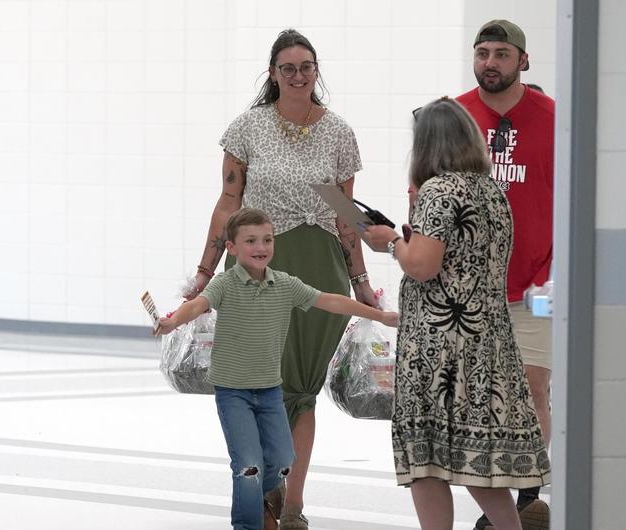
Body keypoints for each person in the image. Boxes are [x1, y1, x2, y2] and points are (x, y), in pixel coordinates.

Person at [192, 28, 376, 530]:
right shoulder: (247, 128)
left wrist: (360, 282)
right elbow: (229, 203)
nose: (298, 75)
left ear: (317, 72)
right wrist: (205, 272)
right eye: (287, 67)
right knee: (256, 384)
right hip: (255, 270)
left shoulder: (338, 132)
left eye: (306, 67)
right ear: (273, 74)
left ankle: (291, 505)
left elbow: (345, 214)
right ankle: (267, 495)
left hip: (319, 266)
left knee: (301, 390)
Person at [365, 97, 551, 530]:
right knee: (475, 459)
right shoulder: (492, 192)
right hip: (484, 339)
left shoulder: (439, 190)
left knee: (427, 457)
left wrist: (390, 240)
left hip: (437, 345)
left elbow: (423, 266)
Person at [158, 208, 398, 530]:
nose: (261, 247)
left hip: (270, 391)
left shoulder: (283, 284)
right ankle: (248, 523)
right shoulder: (226, 284)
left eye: (267, 240)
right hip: (235, 392)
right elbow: (198, 304)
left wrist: (379, 316)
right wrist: (173, 321)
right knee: (248, 465)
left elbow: (330, 301)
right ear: (231, 247)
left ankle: (267, 495)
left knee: (284, 458)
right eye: (251, 241)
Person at [454, 20, 555, 529]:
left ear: (523, 61)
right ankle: (497, 505)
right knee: (480, 400)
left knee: (533, 389)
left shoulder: (554, 117)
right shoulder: (453, 117)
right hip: (469, 288)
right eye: (482, 53)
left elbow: (573, 196)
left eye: (500, 53)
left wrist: (554, 275)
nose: (489, 62)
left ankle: (527, 500)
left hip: (539, 285)